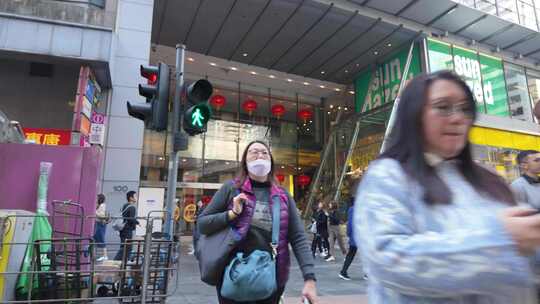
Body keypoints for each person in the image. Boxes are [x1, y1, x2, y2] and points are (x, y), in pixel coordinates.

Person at [354, 70, 540, 303]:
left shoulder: (488, 178)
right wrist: (498, 238)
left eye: (464, 108)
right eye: (443, 107)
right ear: (414, 115)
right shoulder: (388, 175)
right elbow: (388, 258)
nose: (457, 118)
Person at [198, 140, 318, 304]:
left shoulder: (282, 196)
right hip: (234, 274)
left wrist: (309, 278)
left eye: (264, 152)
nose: (259, 155)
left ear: (271, 161)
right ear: (245, 162)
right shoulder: (231, 189)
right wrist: (232, 214)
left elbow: (298, 238)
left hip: (271, 277)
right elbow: (203, 224)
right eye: (253, 151)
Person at [114, 191, 139, 261]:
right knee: (127, 248)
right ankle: (115, 262)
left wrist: (136, 221)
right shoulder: (132, 207)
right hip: (128, 230)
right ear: (131, 198)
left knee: (124, 247)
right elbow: (131, 219)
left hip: (122, 229)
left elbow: (127, 217)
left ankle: (120, 264)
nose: (137, 198)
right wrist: (137, 223)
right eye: (135, 196)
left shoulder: (125, 205)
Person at [339, 199, 357, 280]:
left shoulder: (352, 209)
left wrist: (349, 234)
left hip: (355, 235)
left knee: (351, 253)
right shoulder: (357, 209)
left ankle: (343, 271)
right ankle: (343, 271)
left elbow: (350, 223)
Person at [93, 194, 109, 262]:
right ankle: (93, 255)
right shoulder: (99, 205)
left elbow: (102, 215)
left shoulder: (102, 205)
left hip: (100, 224)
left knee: (101, 238)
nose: (96, 199)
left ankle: (105, 256)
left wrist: (95, 212)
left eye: (97, 198)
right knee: (95, 238)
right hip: (98, 223)